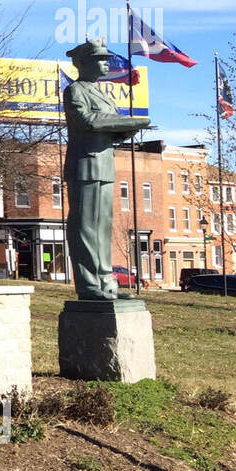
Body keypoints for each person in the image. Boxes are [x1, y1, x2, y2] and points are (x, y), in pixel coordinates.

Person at [63, 39, 151, 299]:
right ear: (85, 63)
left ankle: (105, 280)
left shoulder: (102, 93)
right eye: (101, 59)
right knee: (86, 225)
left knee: (103, 225)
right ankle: (89, 284)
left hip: (104, 165)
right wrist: (124, 122)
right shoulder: (75, 90)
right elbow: (87, 121)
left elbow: (110, 132)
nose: (106, 63)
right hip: (84, 165)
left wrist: (127, 128)